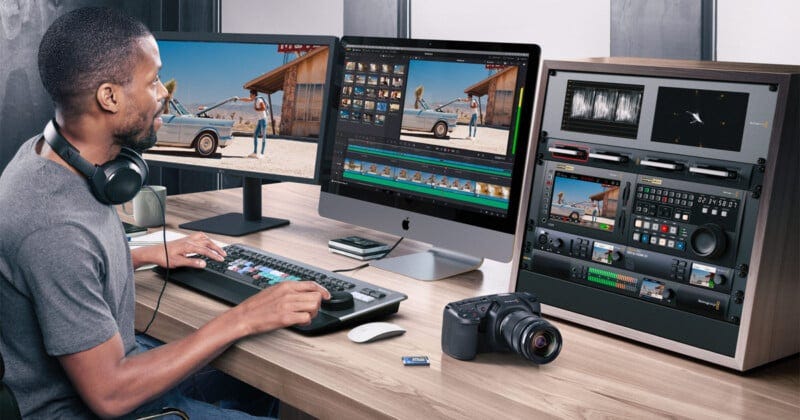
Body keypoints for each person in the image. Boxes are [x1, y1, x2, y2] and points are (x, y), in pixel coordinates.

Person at [0, 7, 330, 419]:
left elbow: (65, 268)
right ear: (109, 96)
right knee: (246, 345)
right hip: (93, 404)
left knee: (252, 375)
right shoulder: (54, 226)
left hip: (115, 364)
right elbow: (111, 395)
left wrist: (140, 253)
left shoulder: (46, 156)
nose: (164, 92)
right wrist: (244, 316)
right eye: (153, 80)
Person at [239, 89, 270, 159]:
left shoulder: (259, 100)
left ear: (253, 95)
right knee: (255, 135)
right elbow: (247, 100)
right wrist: (239, 99)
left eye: (250, 95)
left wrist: (256, 109)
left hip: (263, 120)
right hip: (260, 120)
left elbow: (263, 108)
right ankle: (255, 152)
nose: (250, 96)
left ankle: (262, 154)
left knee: (263, 136)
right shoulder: (255, 99)